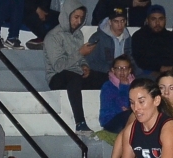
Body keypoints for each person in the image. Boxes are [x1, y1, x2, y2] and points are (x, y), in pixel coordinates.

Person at [43, 0, 108, 134]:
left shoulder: (78, 34)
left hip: (76, 72)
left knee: (106, 78)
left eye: (81, 18)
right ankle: (80, 123)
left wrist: (84, 65)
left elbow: (81, 59)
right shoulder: (53, 36)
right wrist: (80, 53)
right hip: (57, 77)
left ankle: (111, 120)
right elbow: (59, 66)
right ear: (67, 15)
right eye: (76, 17)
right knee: (74, 78)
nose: (78, 21)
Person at [131, 4, 173, 80]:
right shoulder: (139, 36)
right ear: (147, 20)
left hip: (172, 71)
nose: (157, 23)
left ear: (165, 20)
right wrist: (159, 68)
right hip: (147, 72)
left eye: (161, 19)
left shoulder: (171, 36)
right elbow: (140, 60)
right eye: (153, 19)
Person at [86, 8, 139, 76]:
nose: (120, 25)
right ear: (110, 22)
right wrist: (109, 70)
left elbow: (132, 59)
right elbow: (90, 62)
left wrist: (137, 73)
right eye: (116, 21)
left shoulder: (128, 38)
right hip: (103, 73)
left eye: (122, 21)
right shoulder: (97, 37)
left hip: (124, 73)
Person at [99, 55, 134, 134]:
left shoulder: (135, 85)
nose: (122, 71)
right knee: (129, 115)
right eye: (118, 68)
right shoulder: (108, 86)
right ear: (113, 70)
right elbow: (121, 106)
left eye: (125, 68)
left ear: (129, 70)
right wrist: (124, 87)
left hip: (128, 118)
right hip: (111, 121)